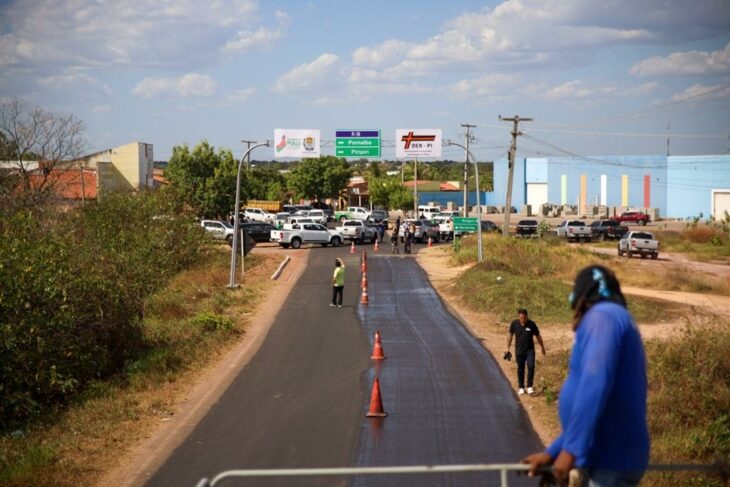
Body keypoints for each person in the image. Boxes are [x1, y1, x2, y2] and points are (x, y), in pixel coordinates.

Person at [521, 265, 649, 487]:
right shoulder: (617, 317)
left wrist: (569, 452)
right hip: (608, 458)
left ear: (581, 299)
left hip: (609, 464)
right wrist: (554, 451)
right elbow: (603, 408)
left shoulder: (601, 318)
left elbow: (594, 385)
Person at [506, 308, 545, 395]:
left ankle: (530, 386)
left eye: (524, 318)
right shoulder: (514, 324)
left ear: (527, 317)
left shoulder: (532, 324)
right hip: (519, 351)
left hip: (530, 350)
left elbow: (538, 336)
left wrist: (542, 347)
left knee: (531, 366)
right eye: (521, 318)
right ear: (519, 317)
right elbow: (510, 335)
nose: (523, 320)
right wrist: (507, 348)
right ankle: (521, 387)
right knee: (521, 368)